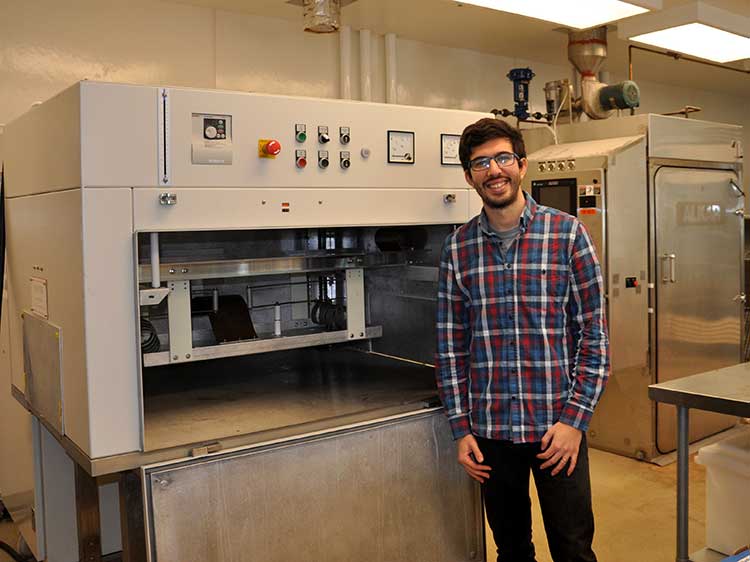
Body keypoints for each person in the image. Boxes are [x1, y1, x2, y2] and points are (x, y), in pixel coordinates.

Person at [435, 117, 610, 562]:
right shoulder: (458, 249)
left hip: (557, 428)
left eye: (503, 158)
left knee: (573, 547)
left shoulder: (568, 235)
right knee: (511, 549)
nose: (494, 170)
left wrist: (575, 422)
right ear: (469, 175)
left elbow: (594, 337)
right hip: (491, 432)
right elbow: (451, 347)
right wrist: (461, 429)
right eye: (481, 163)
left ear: (522, 164)